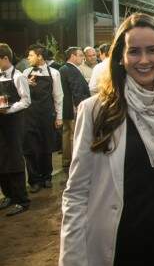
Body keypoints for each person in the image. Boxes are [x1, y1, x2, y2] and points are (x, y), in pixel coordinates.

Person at [60, 13, 154, 265]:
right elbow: (76, 192)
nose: (144, 60)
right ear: (121, 57)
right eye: (134, 51)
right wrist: (71, 258)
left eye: (152, 50)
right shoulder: (96, 109)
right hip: (115, 243)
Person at [23, 44, 63, 193]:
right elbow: (21, 94)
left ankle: (47, 177)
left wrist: (59, 117)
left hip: (47, 114)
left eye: (31, 55)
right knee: (30, 148)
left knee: (46, 147)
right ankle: (34, 180)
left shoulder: (54, 73)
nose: (28, 58)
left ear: (40, 56)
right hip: (29, 115)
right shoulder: (25, 72)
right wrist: (26, 83)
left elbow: (58, 96)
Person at [0, 43, 31, 216]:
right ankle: (8, 195)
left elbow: (26, 101)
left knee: (14, 159)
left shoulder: (18, 76)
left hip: (14, 122)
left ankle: (21, 199)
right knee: (1, 159)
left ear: (6, 58)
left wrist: (9, 109)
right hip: (1, 123)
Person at [59, 47, 90, 173]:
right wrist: (81, 106)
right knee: (73, 135)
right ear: (73, 56)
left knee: (66, 134)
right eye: (81, 55)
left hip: (65, 108)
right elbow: (76, 89)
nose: (83, 57)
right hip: (73, 108)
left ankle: (66, 161)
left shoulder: (62, 68)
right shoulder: (71, 69)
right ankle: (74, 162)